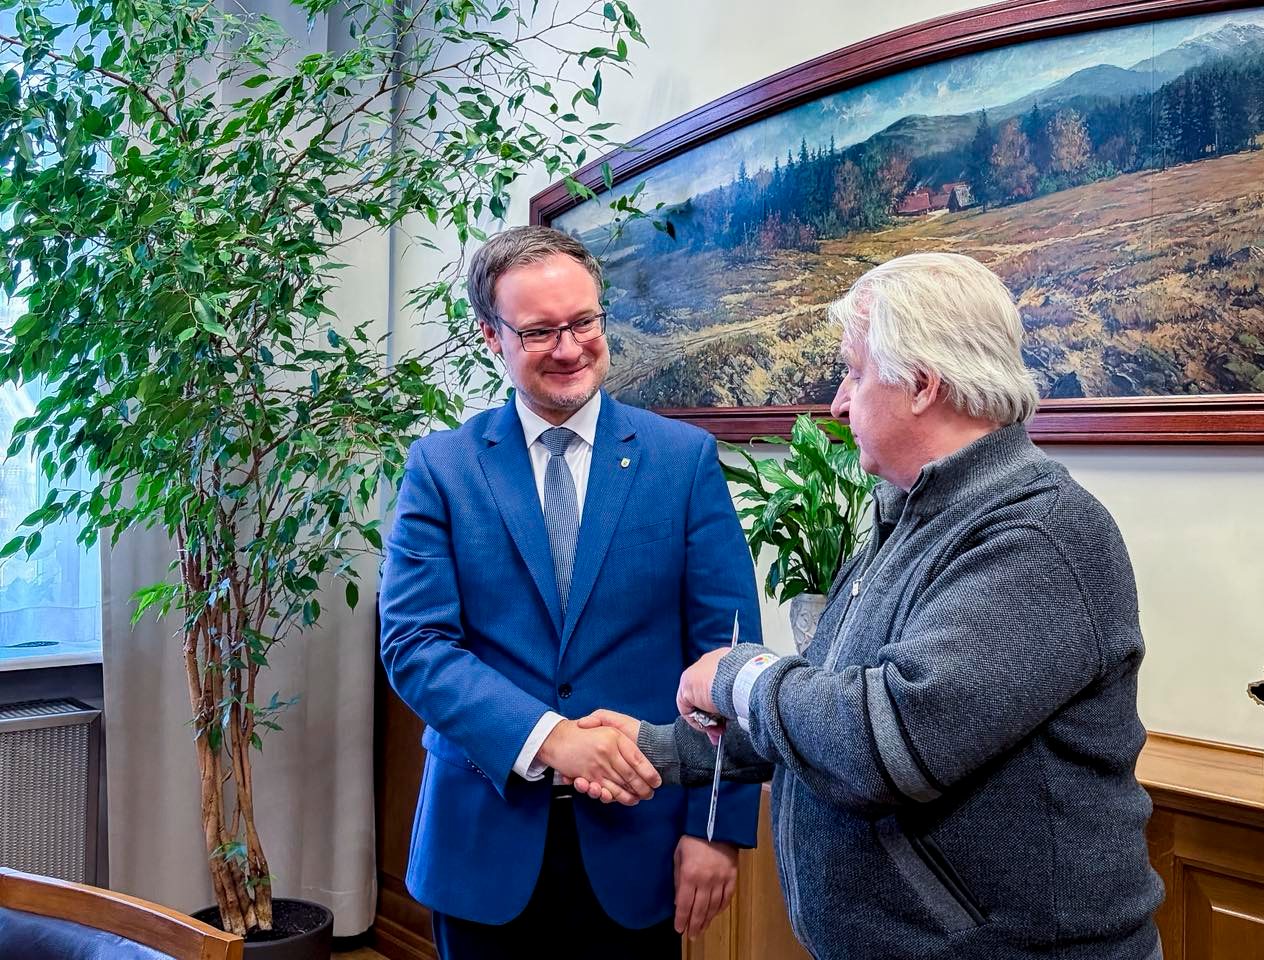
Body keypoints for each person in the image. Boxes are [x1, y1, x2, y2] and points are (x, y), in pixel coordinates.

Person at [574, 252, 1166, 959]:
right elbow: (824, 711)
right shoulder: (909, 517)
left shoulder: (1040, 534)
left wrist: (740, 673)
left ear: (921, 385)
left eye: (854, 372)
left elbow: (882, 742)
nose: (839, 402)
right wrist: (660, 749)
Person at [379, 225, 762, 959]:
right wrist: (551, 740)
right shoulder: (442, 467)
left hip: (640, 844)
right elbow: (415, 645)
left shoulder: (682, 461)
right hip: (481, 844)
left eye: (584, 322)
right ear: (493, 337)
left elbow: (730, 656)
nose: (569, 347)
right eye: (540, 330)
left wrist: (715, 827)